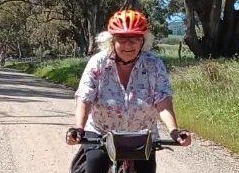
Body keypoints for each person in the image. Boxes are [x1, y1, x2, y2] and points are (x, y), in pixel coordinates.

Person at [65, 9, 192, 173]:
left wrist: (175, 131)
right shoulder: (98, 62)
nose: (128, 45)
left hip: (141, 136)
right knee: (95, 165)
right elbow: (85, 97)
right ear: (112, 41)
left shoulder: (154, 64)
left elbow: (163, 101)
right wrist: (79, 129)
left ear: (143, 41)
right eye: (122, 39)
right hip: (101, 132)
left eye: (134, 39)